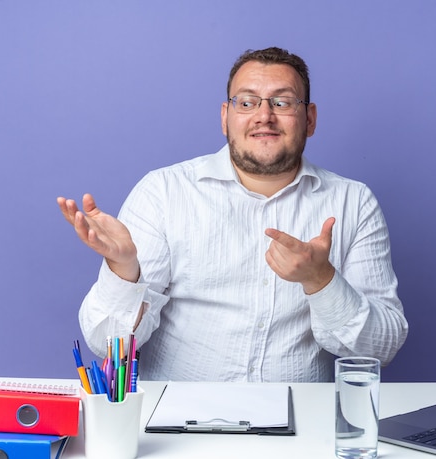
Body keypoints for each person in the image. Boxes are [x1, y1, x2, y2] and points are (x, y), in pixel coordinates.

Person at [57, 47, 408, 382]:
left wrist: (322, 281)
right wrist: (124, 272)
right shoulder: (163, 192)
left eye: (283, 102)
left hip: (304, 429)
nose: (263, 115)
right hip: (177, 428)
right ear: (226, 117)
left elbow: (382, 348)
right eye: (247, 102)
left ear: (310, 118)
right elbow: (107, 345)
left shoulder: (354, 201)